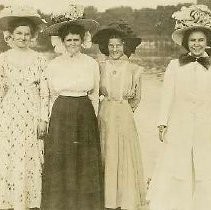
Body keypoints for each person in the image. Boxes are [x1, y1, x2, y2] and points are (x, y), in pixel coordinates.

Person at [147, 5, 211, 210]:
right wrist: (162, 123)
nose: (197, 44)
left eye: (201, 40)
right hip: (180, 122)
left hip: (205, 123)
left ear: (207, 42)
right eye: (193, 40)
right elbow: (167, 96)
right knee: (178, 163)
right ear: (186, 43)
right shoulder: (174, 65)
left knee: (204, 163)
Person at [41, 4, 103, 210]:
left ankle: (85, 204)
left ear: (82, 40)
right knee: (62, 159)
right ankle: (60, 204)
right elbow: (47, 95)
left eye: (76, 39)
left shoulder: (91, 63)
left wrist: (94, 118)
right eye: (69, 40)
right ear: (62, 42)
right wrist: (46, 119)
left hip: (84, 112)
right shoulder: (53, 65)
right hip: (61, 113)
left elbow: (94, 94)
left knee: (84, 159)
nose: (73, 43)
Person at [92, 22, 146, 210]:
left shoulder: (134, 69)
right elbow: (94, 91)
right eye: (111, 45)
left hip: (123, 115)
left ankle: (124, 199)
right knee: (106, 151)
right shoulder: (99, 66)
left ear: (125, 46)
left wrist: (125, 107)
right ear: (106, 47)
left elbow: (137, 98)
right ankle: (107, 199)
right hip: (105, 113)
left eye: (118, 45)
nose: (114, 49)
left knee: (123, 154)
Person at [0, 5, 49, 210]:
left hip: (32, 111)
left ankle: (29, 202)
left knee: (31, 155)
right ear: (10, 35)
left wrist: (43, 119)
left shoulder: (40, 59)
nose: (22, 37)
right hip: (9, 112)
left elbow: (45, 92)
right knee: (9, 154)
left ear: (32, 36)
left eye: (27, 34)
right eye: (18, 33)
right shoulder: (2, 59)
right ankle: (10, 201)